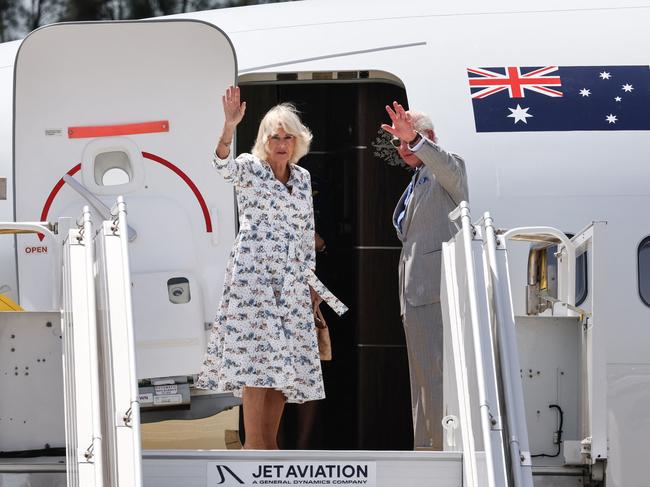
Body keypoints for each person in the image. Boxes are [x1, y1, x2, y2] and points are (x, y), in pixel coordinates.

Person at [196, 86, 347, 450]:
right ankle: (254, 446)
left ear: (297, 142)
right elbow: (222, 166)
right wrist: (228, 128)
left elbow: (306, 233)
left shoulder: (303, 179)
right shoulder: (251, 168)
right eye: (274, 136)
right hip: (254, 279)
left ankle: (270, 446)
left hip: (292, 280)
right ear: (264, 140)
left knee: (287, 363)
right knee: (257, 360)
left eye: (287, 137)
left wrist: (311, 286)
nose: (281, 143)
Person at [381, 101, 469, 450]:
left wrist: (415, 140)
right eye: (399, 144)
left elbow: (446, 166)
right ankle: (426, 451)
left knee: (436, 378)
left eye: (409, 142)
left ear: (428, 137)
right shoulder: (419, 180)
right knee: (421, 381)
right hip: (416, 297)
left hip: (436, 294)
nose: (403, 149)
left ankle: (440, 452)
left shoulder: (448, 172)